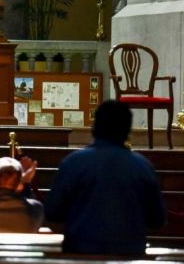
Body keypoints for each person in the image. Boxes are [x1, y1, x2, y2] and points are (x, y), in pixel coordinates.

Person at [45, 100, 166, 255]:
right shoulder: (143, 167)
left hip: (81, 255)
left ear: (95, 127)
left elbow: (53, 212)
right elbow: (157, 219)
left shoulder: (74, 163)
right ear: (127, 130)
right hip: (129, 258)